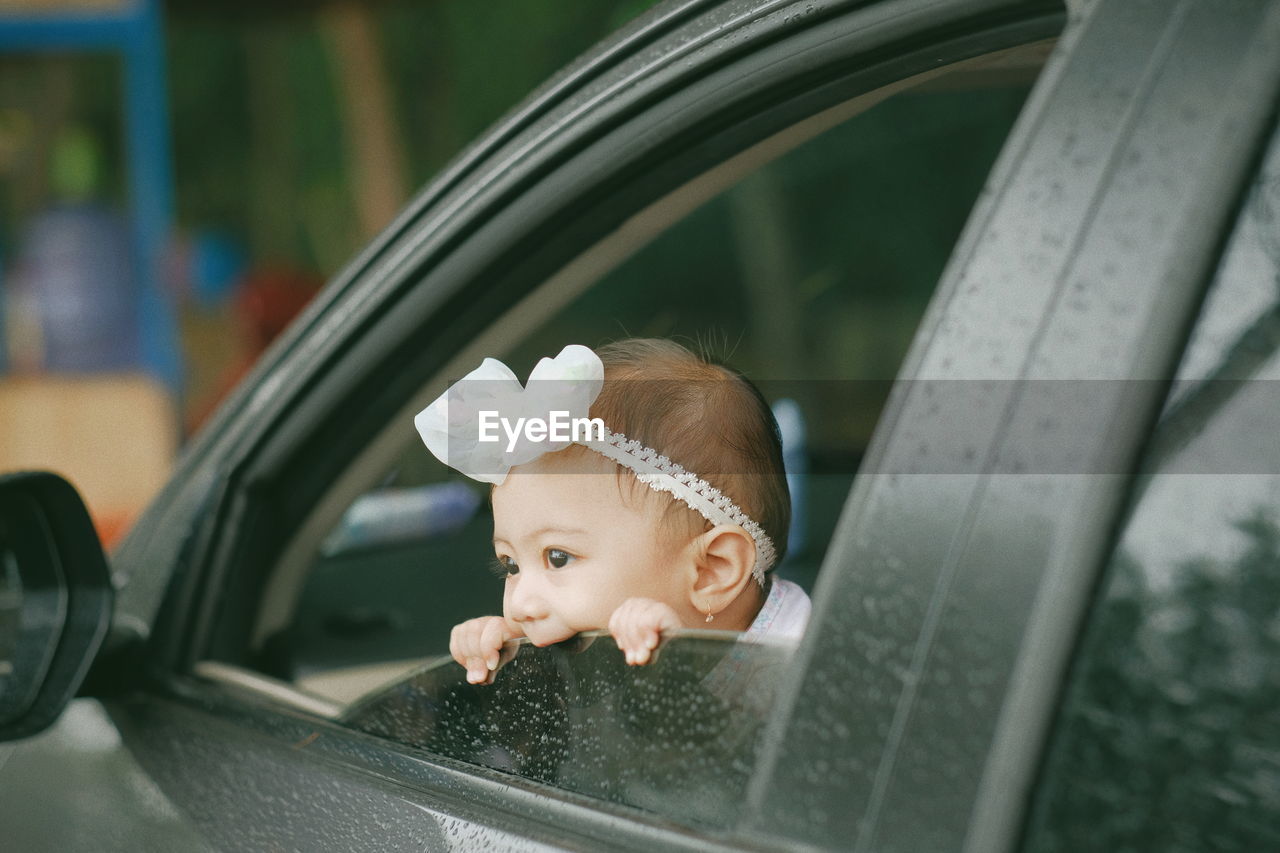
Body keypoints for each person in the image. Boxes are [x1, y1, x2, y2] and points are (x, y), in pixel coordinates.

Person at [415, 338, 811, 685]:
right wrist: (497, 659)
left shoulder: (806, 661)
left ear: (712, 570)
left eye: (558, 557)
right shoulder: (588, 653)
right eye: (511, 565)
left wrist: (673, 672)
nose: (519, 606)